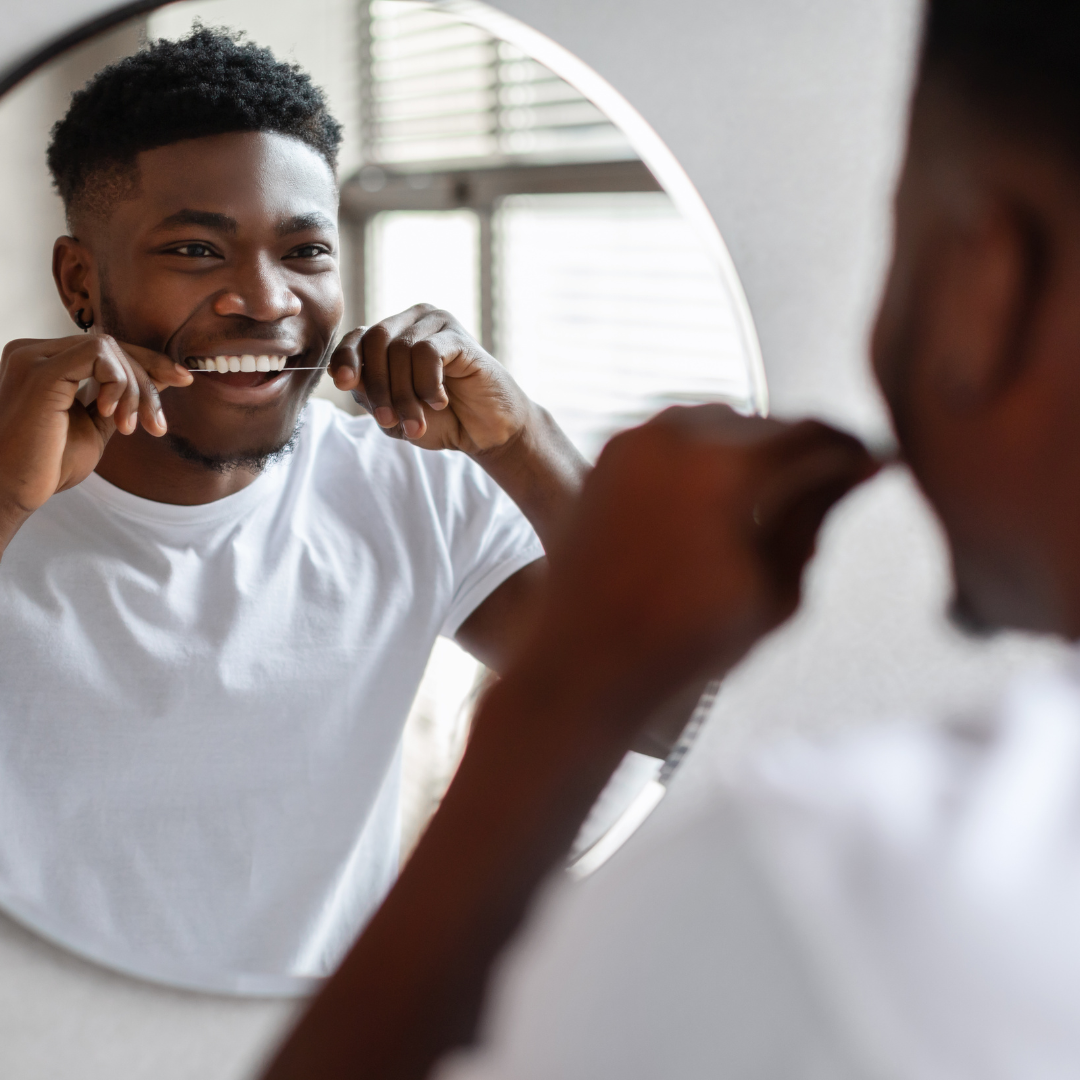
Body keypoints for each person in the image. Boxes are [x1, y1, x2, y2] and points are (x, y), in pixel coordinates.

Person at [260, 0, 1080, 1075]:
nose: (258, 300)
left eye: (899, 230)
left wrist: (564, 690)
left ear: (981, 286)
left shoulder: (822, 898)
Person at [0, 28, 596, 991]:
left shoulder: (413, 483)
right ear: (80, 282)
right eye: (196, 249)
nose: (266, 301)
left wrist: (521, 438)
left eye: (305, 249)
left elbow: (668, 695)